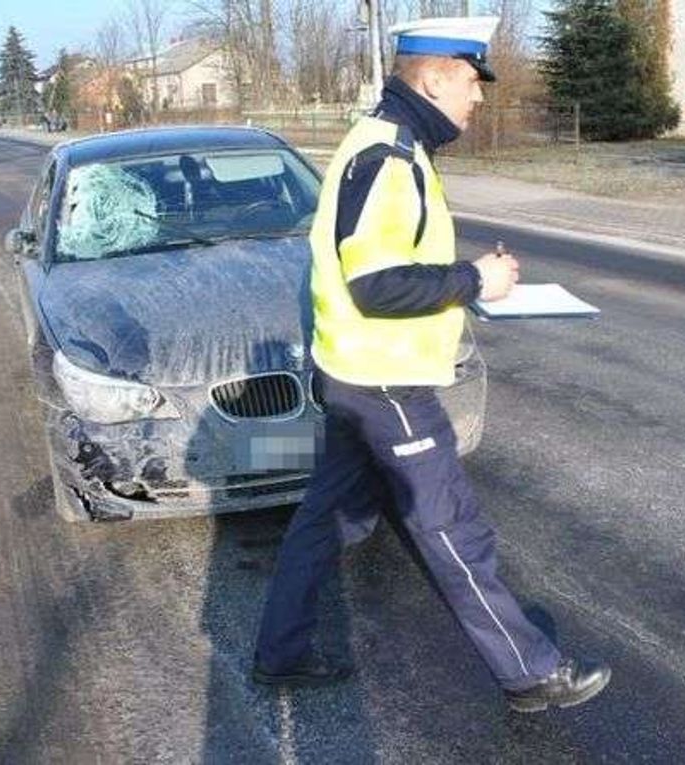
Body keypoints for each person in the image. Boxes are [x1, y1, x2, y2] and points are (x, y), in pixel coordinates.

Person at [252, 16, 611, 713]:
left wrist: (468, 276)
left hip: (355, 374)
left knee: (325, 519)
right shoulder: (390, 158)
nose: (479, 97)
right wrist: (476, 280)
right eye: (473, 81)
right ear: (436, 77)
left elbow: (384, 263)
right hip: (384, 383)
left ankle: (280, 653)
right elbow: (375, 285)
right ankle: (531, 672)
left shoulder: (389, 143)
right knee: (449, 526)